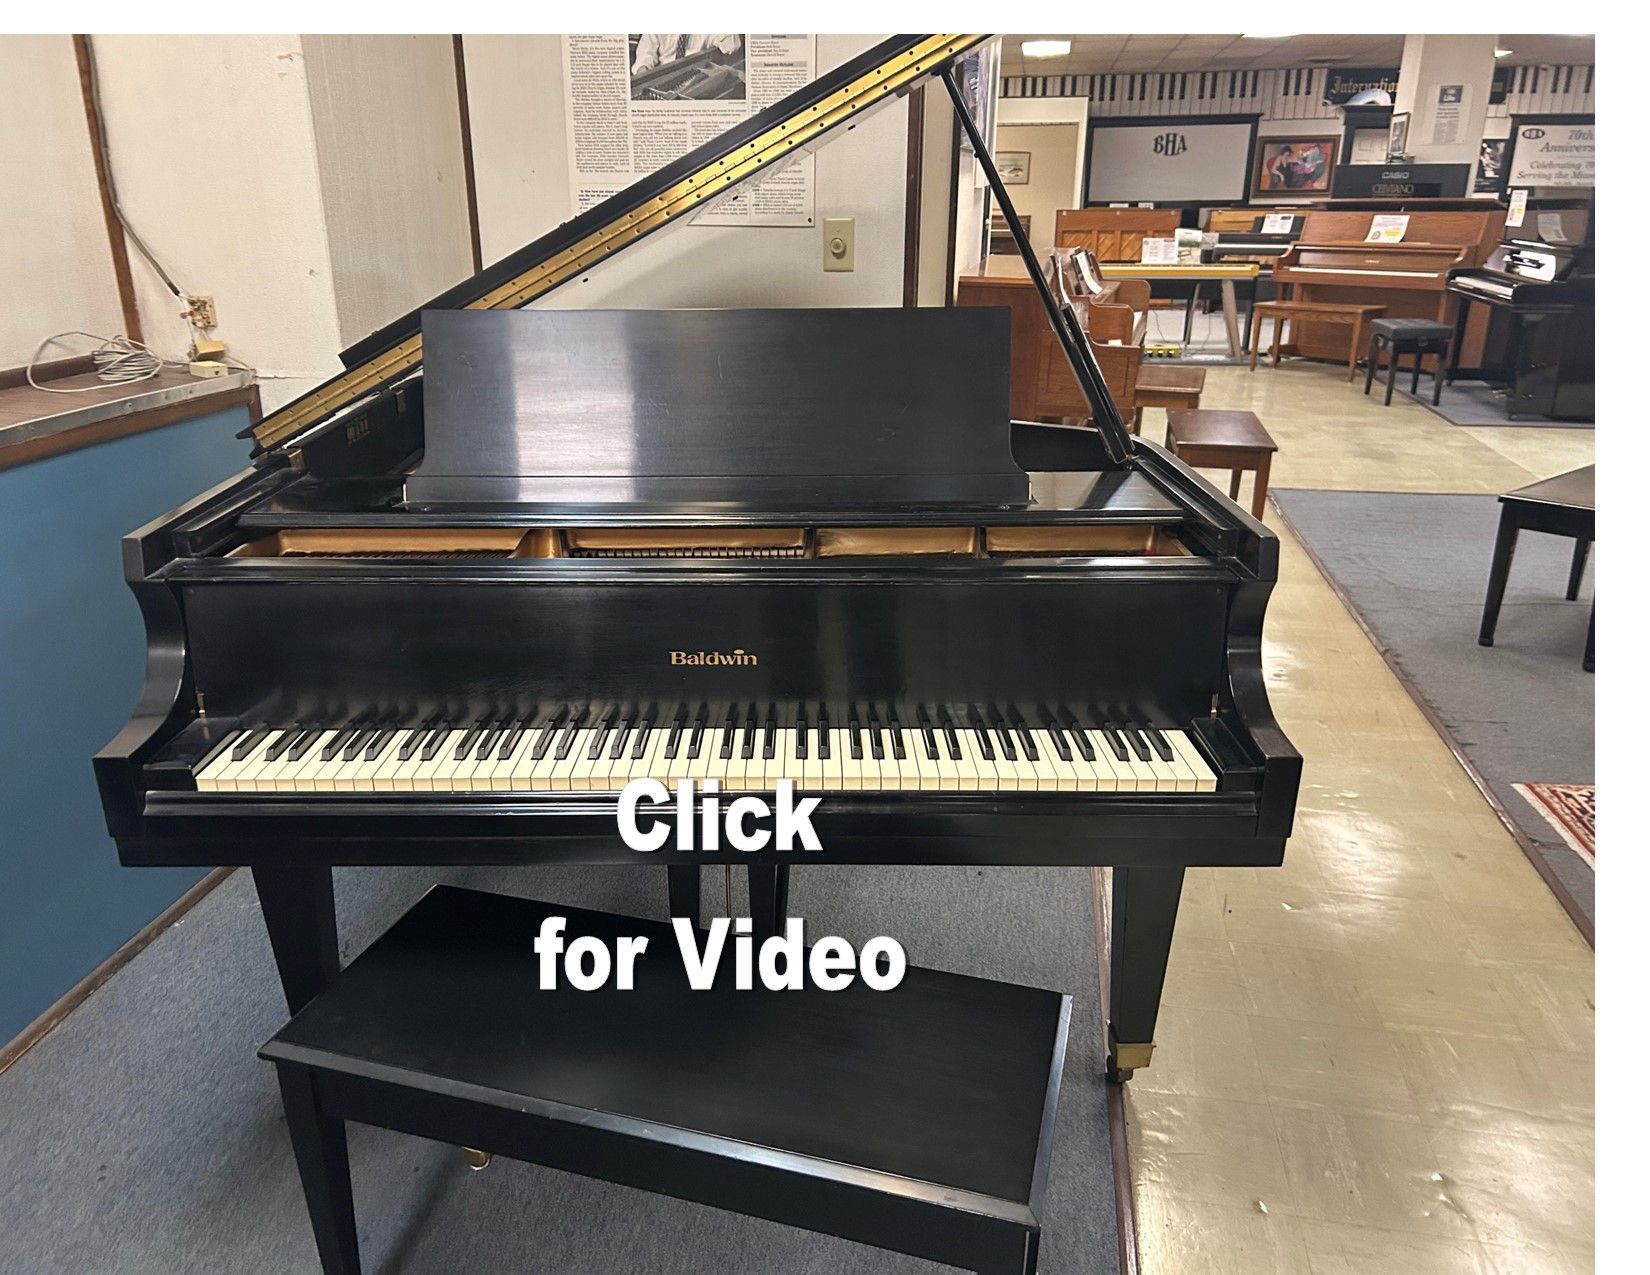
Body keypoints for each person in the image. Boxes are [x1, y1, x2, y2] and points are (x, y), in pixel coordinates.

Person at [632, 35, 742, 77]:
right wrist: (643, 77)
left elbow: (732, 45)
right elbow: (644, 57)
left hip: (695, 77)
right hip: (662, 79)